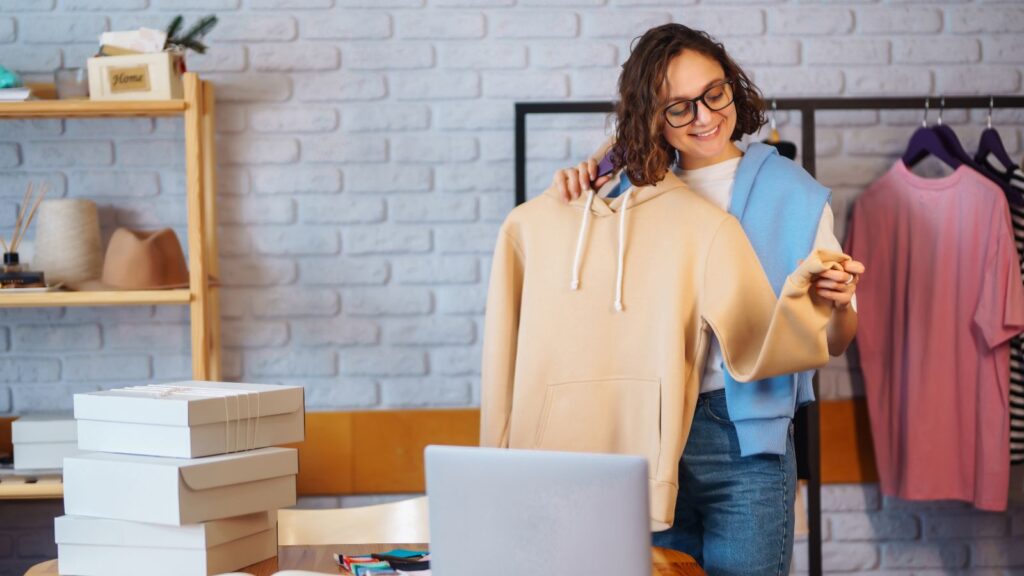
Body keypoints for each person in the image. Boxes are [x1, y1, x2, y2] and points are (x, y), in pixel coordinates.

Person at [549, 24, 864, 575]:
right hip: (647, 436)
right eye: (678, 107)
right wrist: (584, 179)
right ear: (652, 116)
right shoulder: (627, 193)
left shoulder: (795, 194)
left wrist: (838, 304)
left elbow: (834, 343)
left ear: (732, 87)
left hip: (749, 442)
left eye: (713, 93)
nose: (704, 117)